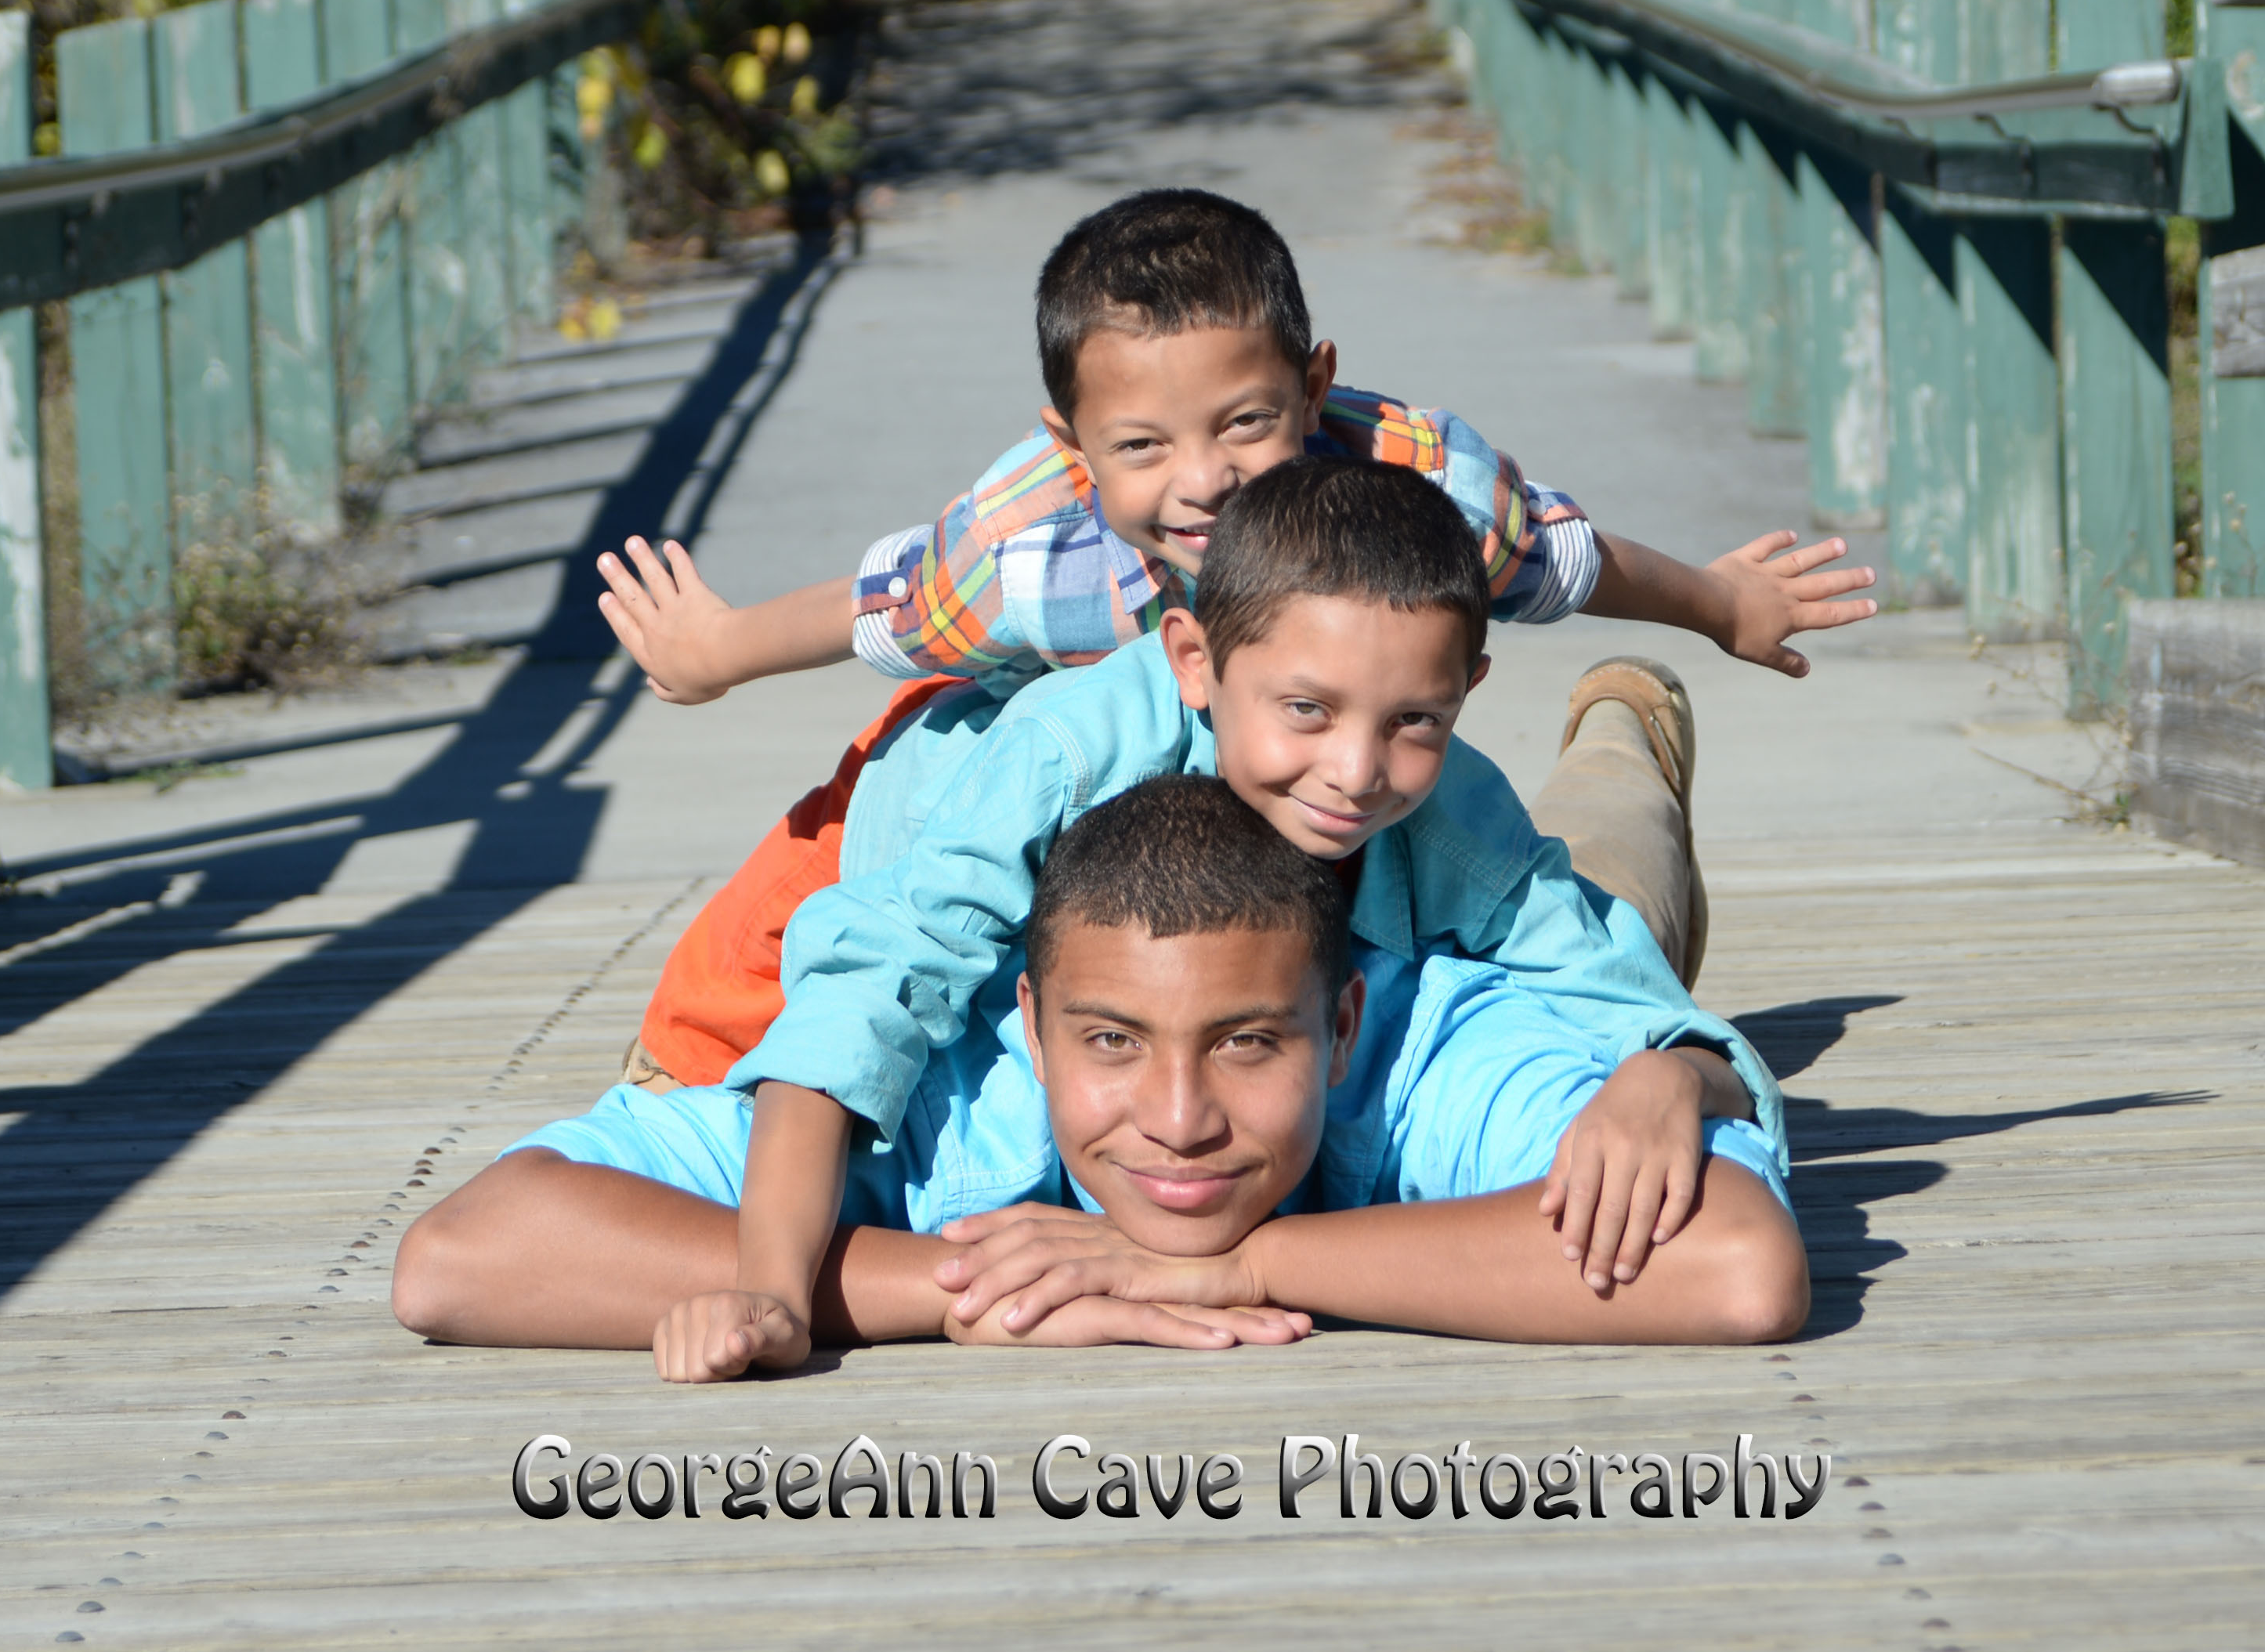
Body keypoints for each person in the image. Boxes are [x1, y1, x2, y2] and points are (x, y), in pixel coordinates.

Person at [600, 186, 1865, 1086]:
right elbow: (882, 607)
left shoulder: (1413, 491)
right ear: (1073, 447)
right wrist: (717, 652)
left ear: (1313, 388)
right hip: (1072, 771)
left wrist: (1721, 604)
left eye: (1247, 423)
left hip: (1312, 778)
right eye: (1144, 446)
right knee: (855, 834)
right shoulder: (1030, 553)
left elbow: (1559, 561)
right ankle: (697, 1059)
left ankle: (1620, 755)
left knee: (1496, 939)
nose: (1203, 481)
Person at [688, 460, 1791, 1377]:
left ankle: (1623, 734)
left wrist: (1673, 1073)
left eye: (1416, 719)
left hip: (1441, 950)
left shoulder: (1454, 817)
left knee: (1620, 887)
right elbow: (867, 993)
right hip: (874, 875)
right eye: (1307, 710)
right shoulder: (1064, 762)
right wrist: (774, 1296)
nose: (1356, 771)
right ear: (1194, 666)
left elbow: (1630, 998)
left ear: (1467, 691)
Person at [389, 774, 1807, 1365]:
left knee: (1624, 880)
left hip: (1534, 911)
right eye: (1112, 1043)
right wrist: (977, 1285)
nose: (1179, 1123)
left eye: (1248, 1044)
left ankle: (1621, 746)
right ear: (1031, 1022)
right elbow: (460, 1256)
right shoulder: (963, 1096)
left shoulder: (1436, 1046)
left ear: (1343, 1028)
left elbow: (1738, 1271)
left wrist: (1235, 1269)